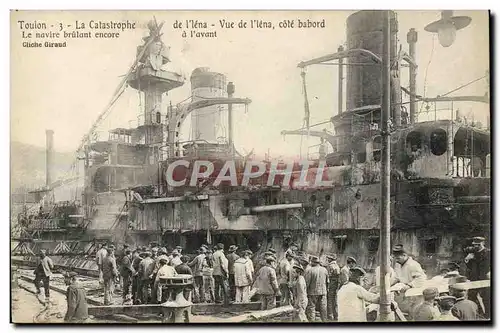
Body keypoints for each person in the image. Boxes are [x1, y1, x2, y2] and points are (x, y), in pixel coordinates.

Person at [465, 236, 490, 318]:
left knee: (486, 298)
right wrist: (467, 260)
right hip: (474, 279)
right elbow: (470, 267)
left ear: (483, 243)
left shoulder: (488, 253)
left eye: (478, 245)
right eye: (475, 245)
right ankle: (474, 315)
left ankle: (487, 316)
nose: (476, 246)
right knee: (472, 297)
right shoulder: (472, 253)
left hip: (485, 279)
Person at [304, 256, 329, 322]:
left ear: (313, 262)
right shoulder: (324, 270)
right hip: (323, 292)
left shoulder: (310, 270)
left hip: (312, 292)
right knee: (323, 308)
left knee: (311, 308)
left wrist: (305, 292)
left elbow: (307, 283)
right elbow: (327, 282)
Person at [326, 254, 340, 321]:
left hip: (331, 284)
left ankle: (330, 315)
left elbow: (328, 276)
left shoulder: (330, 266)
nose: (327, 259)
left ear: (331, 259)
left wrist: (328, 286)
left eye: (328, 258)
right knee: (335, 301)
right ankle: (336, 315)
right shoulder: (337, 266)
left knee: (330, 300)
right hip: (336, 284)